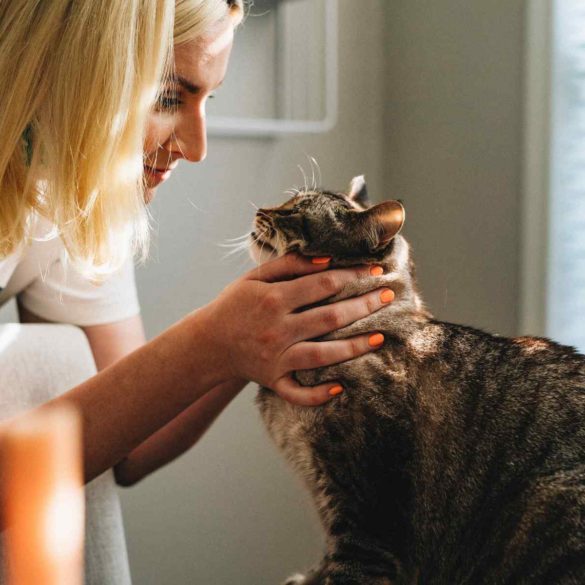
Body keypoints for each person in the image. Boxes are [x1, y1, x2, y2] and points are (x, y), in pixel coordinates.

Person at [0, 0, 392, 535]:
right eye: (167, 97)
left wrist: (254, 336)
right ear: (70, 65)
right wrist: (216, 340)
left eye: (206, 100)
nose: (197, 147)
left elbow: (129, 448)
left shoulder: (80, 184)